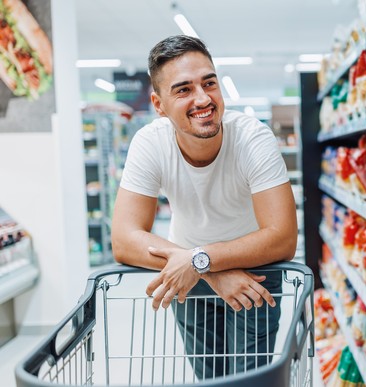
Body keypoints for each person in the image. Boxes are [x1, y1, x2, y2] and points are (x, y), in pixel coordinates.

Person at [111, 35, 298, 380]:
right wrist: (205, 268)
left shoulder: (252, 139)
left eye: (209, 83)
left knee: (250, 379)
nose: (203, 98)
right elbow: (124, 239)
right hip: (185, 275)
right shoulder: (150, 143)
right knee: (209, 378)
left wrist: (200, 260)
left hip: (253, 275)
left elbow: (282, 237)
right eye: (183, 90)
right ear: (159, 103)